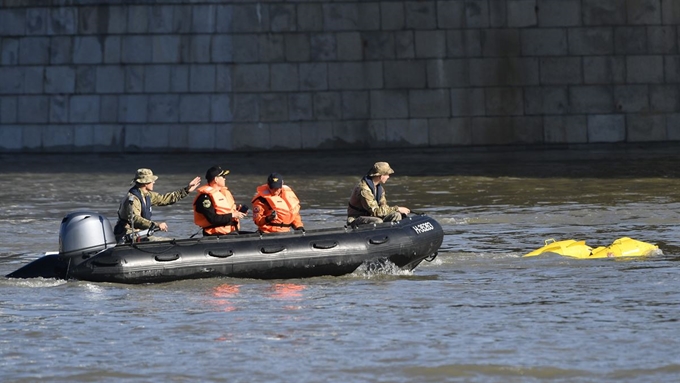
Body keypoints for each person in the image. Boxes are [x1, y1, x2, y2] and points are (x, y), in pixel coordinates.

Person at [114, 168, 201, 243]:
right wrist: (156, 225)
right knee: (168, 243)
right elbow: (135, 219)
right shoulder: (133, 198)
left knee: (170, 241)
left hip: (140, 234)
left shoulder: (147, 195)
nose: (154, 182)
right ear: (145, 183)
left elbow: (165, 199)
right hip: (129, 236)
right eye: (152, 180)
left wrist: (186, 190)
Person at [347, 161, 410, 226]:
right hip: (356, 219)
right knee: (378, 221)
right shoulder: (364, 189)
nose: (388, 177)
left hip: (372, 216)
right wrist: (397, 208)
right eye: (387, 174)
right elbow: (375, 212)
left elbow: (383, 207)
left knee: (396, 215)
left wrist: (397, 211)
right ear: (381, 176)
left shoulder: (379, 188)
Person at [193, 165, 248, 236]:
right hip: (215, 235)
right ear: (216, 179)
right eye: (223, 177)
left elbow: (224, 213)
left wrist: (237, 212)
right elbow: (213, 219)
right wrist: (233, 215)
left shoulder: (223, 193)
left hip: (230, 232)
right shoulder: (205, 198)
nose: (225, 179)